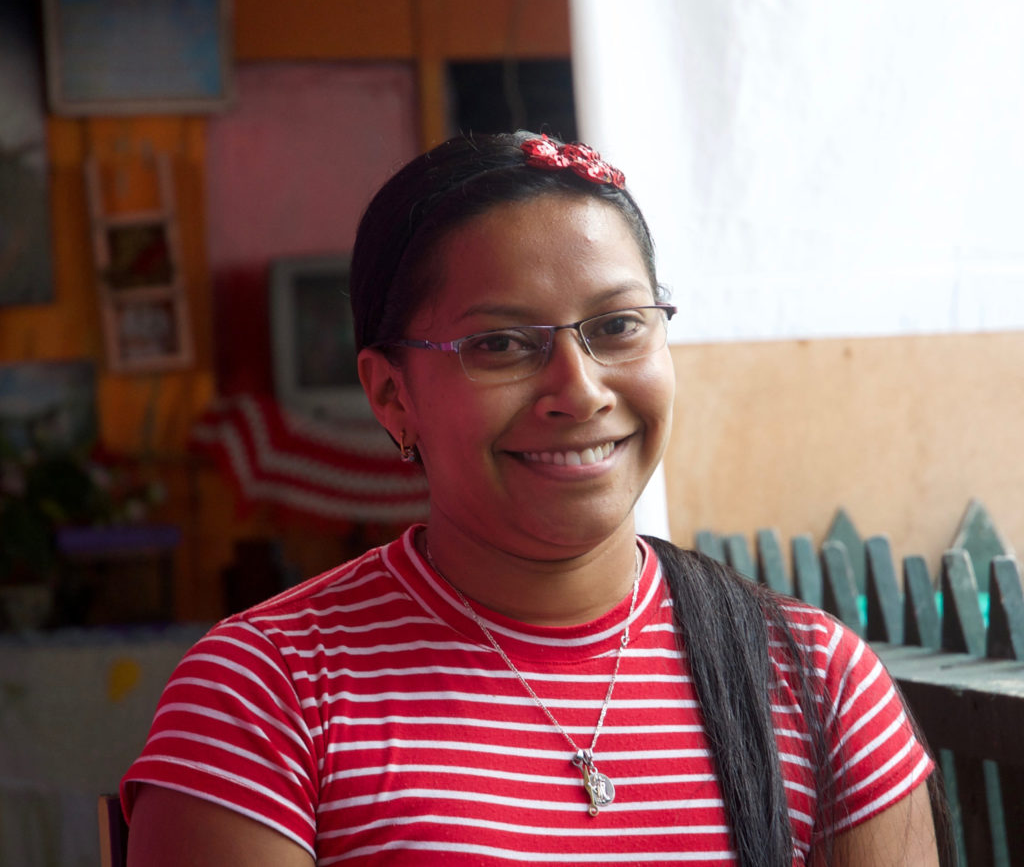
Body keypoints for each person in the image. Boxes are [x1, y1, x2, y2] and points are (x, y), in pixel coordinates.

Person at [122, 132, 943, 866]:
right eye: (502, 344)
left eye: (619, 326)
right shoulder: (266, 695)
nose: (578, 391)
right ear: (391, 393)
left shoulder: (818, 682)